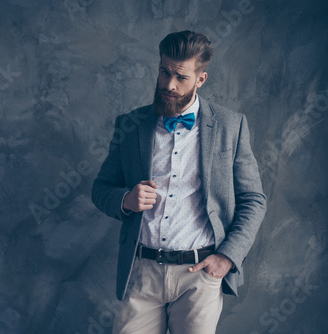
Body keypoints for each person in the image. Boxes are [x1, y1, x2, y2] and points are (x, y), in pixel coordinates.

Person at [91, 30, 267, 333]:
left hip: (198, 275)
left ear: (201, 79)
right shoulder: (131, 124)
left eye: (180, 77)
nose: (169, 85)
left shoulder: (231, 126)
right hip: (142, 272)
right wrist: (125, 200)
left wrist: (227, 257)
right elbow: (101, 189)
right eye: (164, 72)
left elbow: (253, 200)